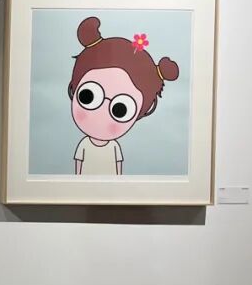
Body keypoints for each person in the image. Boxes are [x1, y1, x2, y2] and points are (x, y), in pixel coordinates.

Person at [68, 17, 180, 176]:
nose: (102, 113)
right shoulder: (84, 145)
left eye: (120, 110)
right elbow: (78, 167)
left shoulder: (114, 147)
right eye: (88, 96)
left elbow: (118, 170)